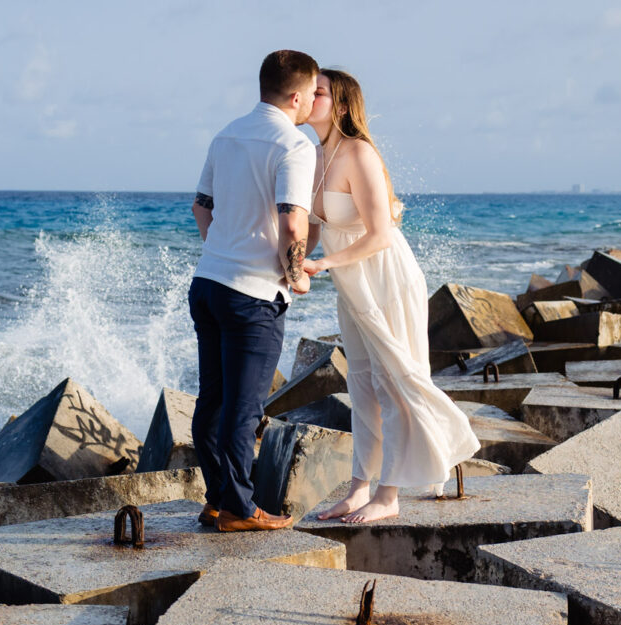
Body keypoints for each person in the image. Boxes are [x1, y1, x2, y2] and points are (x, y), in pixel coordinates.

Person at [304, 69, 479, 524]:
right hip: (351, 284)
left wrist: (324, 264)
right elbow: (313, 226)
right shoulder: (313, 156)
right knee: (361, 385)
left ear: (340, 106)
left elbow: (381, 235)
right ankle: (360, 486)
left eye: (317, 92)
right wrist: (292, 265)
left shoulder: (358, 153)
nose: (307, 97)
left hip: (385, 279)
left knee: (396, 382)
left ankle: (390, 492)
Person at [188, 49, 319, 531]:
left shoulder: (226, 135)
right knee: (243, 412)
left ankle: (218, 499)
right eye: (311, 95)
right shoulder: (294, 146)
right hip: (252, 295)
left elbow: (202, 206)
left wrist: (224, 247)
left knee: (212, 403)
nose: (311, 104)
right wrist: (297, 274)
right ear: (295, 95)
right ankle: (241, 510)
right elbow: (292, 222)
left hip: (208, 283)